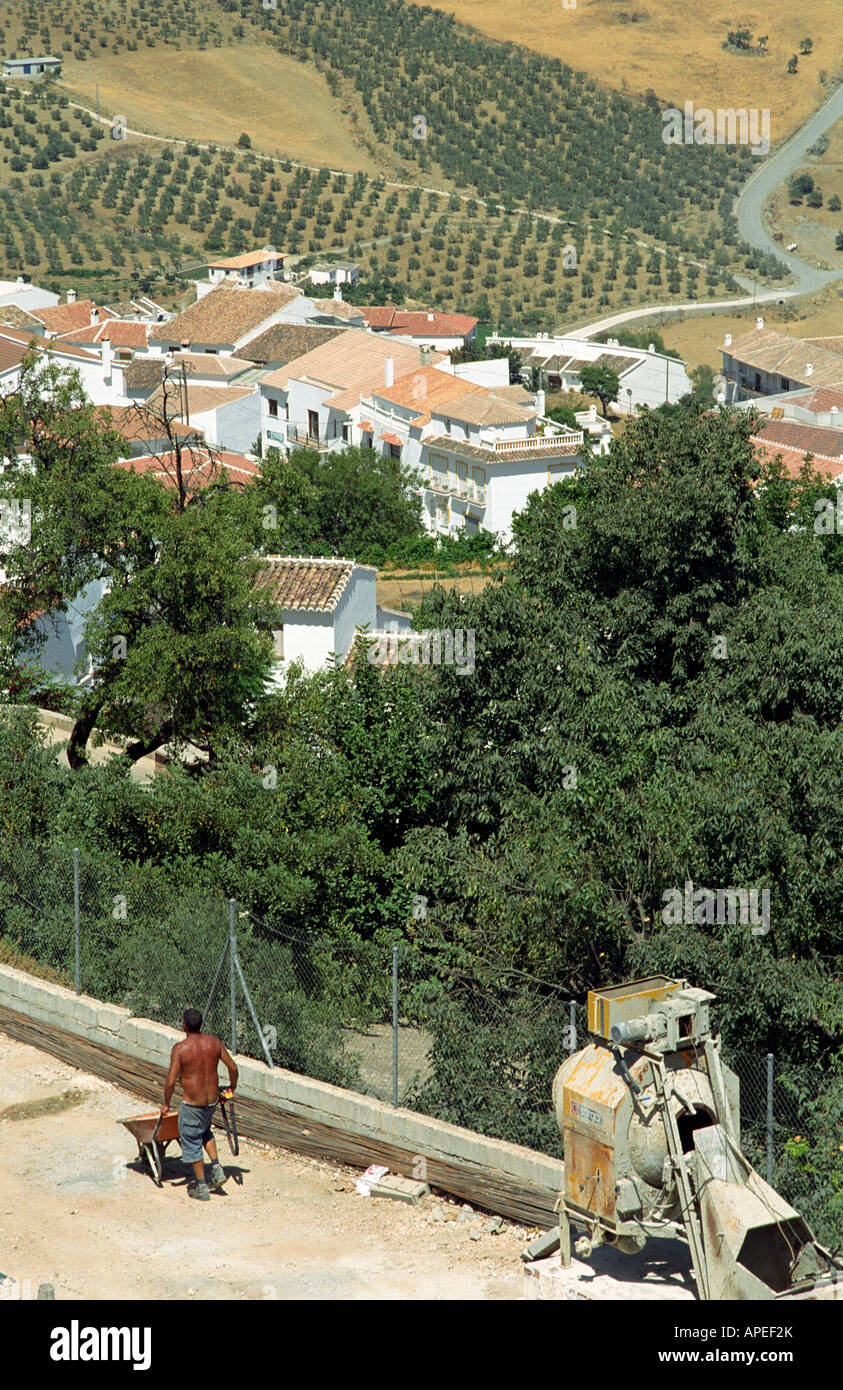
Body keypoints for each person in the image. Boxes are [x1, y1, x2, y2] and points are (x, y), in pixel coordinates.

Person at [160, 1008, 239, 1202]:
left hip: (192, 1104)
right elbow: (233, 1067)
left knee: (193, 1139)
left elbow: (170, 1081)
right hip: (211, 1101)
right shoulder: (214, 1042)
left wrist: (166, 1104)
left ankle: (202, 1186)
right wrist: (231, 1088)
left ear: (184, 1025)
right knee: (205, 1132)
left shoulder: (180, 1049)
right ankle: (217, 1169)